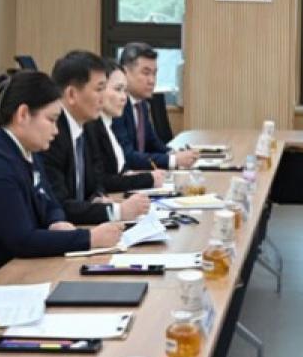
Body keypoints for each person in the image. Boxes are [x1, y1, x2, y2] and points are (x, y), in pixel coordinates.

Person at [0, 71, 123, 286]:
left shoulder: (26, 151)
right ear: (23, 114)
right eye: (51, 120)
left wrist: (57, 222)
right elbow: (22, 240)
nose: (56, 131)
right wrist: (90, 238)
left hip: (14, 272)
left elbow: (50, 202)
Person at [43, 51, 150, 226]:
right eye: (99, 89)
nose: (104, 97)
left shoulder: (88, 125)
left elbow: (97, 179)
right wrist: (117, 211)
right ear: (71, 95)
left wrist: (98, 197)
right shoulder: (51, 134)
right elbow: (60, 204)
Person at [86, 59, 168, 192]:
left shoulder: (108, 124)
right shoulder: (91, 129)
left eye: (125, 91)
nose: (124, 97)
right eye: (118, 89)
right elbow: (102, 181)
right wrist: (147, 179)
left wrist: (141, 175)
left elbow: (120, 171)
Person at [113, 42, 197, 171]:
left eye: (154, 73)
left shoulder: (142, 104)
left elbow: (152, 142)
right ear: (125, 73)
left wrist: (174, 153)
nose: (152, 80)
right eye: (146, 73)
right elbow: (128, 156)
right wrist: (173, 160)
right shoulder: (116, 106)